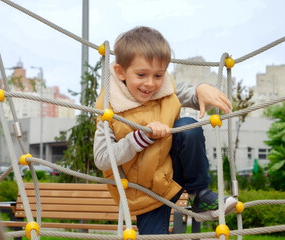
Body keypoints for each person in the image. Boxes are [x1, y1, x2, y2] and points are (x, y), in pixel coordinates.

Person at [94, 26, 237, 234]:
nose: (150, 83)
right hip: (144, 190)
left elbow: (186, 92)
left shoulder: (165, 87)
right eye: (141, 74)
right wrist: (139, 138)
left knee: (187, 126)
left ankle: (199, 195)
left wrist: (200, 89)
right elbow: (101, 158)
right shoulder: (110, 109)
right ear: (120, 71)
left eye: (158, 75)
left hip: (173, 171)